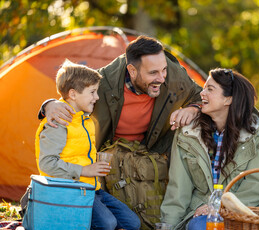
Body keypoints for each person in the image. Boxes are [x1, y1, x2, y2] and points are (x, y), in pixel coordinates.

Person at [39, 35, 203, 154]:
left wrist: (193, 109)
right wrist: (49, 105)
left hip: (156, 151)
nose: (161, 78)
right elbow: (72, 98)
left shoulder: (174, 75)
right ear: (132, 70)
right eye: (153, 73)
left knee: (196, 126)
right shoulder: (103, 82)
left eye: (164, 69)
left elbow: (203, 97)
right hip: (109, 153)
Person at [160, 68, 259, 230]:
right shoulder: (188, 136)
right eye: (203, 88)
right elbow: (178, 190)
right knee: (200, 227)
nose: (202, 94)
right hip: (199, 215)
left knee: (205, 227)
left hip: (239, 215)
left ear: (228, 99)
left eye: (210, 89)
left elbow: (254, 191)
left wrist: (219, 206)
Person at [35, 60, 141, 230]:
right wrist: (85, 170)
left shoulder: (85, 119)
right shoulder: (59, 123)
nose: (97, 97)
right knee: (107, 225)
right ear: (73, 94)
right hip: (69, 191)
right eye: (92, 92)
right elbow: (46, 164)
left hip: (90, 188)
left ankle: (87, 217)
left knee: (132, 223)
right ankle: (63, 218)